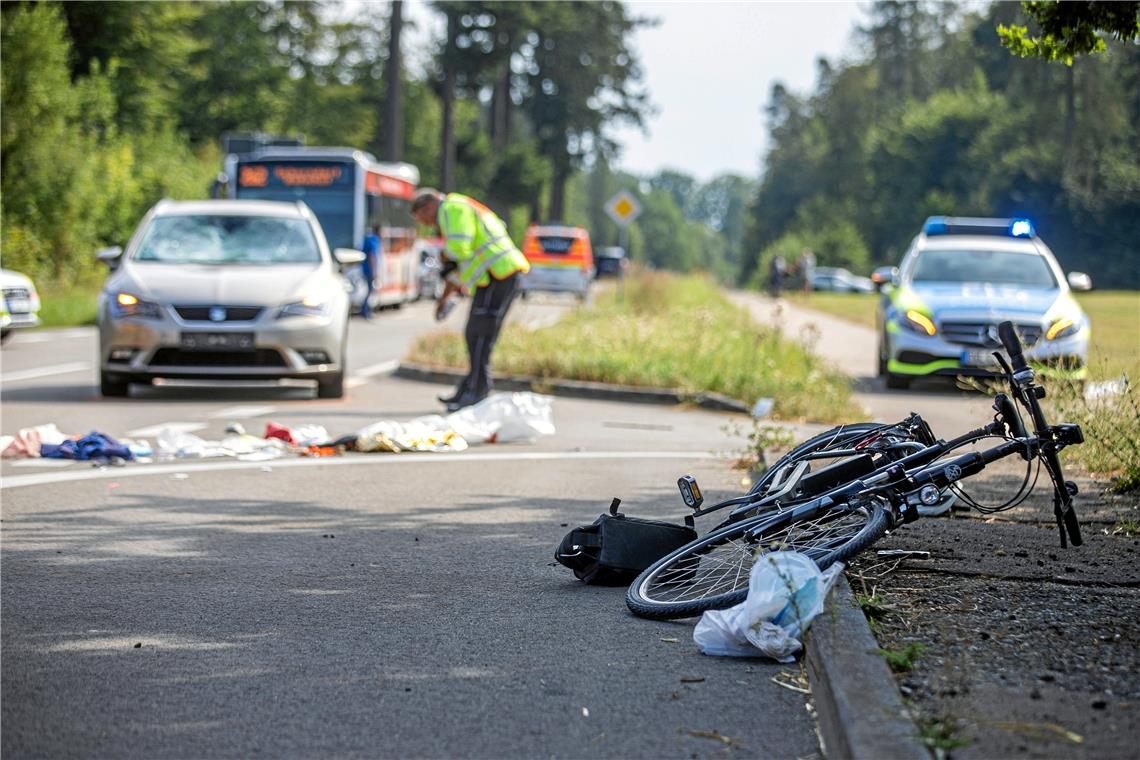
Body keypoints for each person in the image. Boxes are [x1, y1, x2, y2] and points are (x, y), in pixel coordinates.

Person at [410, 188, 530, 411]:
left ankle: (477, 393)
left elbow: (459, 249)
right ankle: (468, 389)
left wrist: (442, 256)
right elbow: (461, 265)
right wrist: (444, 297)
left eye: (424, 219)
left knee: (481, 335)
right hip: (493, 278)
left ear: (428, 206)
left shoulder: (452, 209)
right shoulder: (455, 209)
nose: (428, 226)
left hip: (500, 275)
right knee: (474, 334)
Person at [359, 226, 382, 318]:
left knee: (367, 290)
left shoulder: (367, 239)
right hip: (369, 269)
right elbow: (372, 256)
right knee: (370, 290)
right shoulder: (374, 240)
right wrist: (375, 271)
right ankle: (365, 310)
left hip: (364, 268)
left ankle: (365, 309)